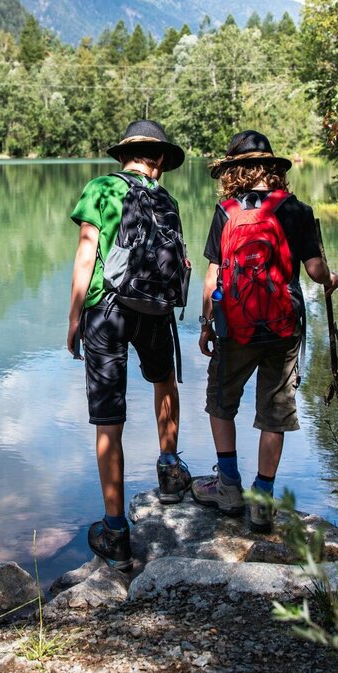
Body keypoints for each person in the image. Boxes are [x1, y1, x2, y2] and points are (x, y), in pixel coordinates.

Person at [192, 130, 338, 532]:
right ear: (273, 169)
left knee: (221, 401)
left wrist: (206, 324)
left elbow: (212, 277)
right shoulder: (296, 209)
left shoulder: (225, 211)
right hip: (282, 325)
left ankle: (227, 486)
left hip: (234, 326)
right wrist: (332, 278)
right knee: (274, 411)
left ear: (234, 172)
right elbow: (313, 270)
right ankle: (262, 499)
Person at [67, 120, 192, 570]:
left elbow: (87, 251)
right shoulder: (166, 199)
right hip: (156, 310)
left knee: (108, 418)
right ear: (157, 159)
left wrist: (74, 315)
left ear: (124, 155)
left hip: (108, 310)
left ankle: (116, 530)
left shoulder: (101, 188)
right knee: (164, 380)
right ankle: (170, 470)